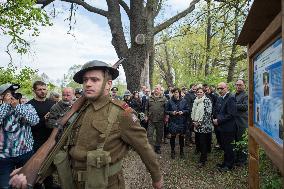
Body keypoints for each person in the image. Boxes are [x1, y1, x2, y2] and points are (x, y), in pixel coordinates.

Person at [9, 60, 163, 189]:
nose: (88, 84)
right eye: (85, 80)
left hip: (105, 184)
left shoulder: (122, 113)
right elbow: (60, 147)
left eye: (94, 80)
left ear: (108, 84)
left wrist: (156, 177)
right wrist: (29, 171)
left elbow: (144, 147)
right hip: (72, 183)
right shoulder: (78, 111)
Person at [0, 83, 39, 189]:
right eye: (7, 94)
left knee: (27, 184)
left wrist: (17, 107)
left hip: (25, 153)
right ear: (1, 96)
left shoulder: (27, 107)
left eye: (13, 94)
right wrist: (5, 106)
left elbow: (35, 121)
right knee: (5, 186)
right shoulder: (1, 108)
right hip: (4, 156)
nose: (11, 96)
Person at [27, 81, 57, 189]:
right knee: (36, 167)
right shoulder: (29, 105)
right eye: (39, 89)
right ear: (34, 90)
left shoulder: (52, 104)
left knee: (49, 166)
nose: (42, 91)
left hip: (50, 139)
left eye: (44, 89)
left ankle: (49, 185)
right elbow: (29, 126)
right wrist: (43, 119)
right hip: (35, 141)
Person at [213, 82, 237, 171]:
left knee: (229, 147)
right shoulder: (220, 98)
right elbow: (216, 110)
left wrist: (218, 120)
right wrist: (214, 118)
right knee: (224, 146)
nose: (220, 90)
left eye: (222, 88)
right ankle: (225, 163)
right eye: (218, 88)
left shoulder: (231, 98)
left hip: (229, 128)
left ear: (226, 88)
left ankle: (229, 165)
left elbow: (231, 114)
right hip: (221, 127)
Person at [191, 86, 213, 167]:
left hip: (204, 125)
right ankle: (204, 156)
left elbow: (208, 113)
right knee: (199, 142)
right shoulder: (196, 100)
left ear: (204, 93)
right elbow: (194, 111)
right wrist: (194, 121)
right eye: (198, 92)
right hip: (196, 124)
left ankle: (202, 160)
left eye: (201, 92)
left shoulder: (206, 100)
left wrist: (199, 122)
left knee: (203, 142)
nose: (199, 93)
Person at [165, 87, 189, 159]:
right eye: (175, 92)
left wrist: (183, 112)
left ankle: (181, 151)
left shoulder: (184, 101)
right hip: (173, 121)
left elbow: (188, 110)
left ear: (179, 93)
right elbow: (166, 111)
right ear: (173, 93)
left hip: (182, 121)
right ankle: (172, 150)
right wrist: (172, 112)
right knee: (173, 137)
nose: (176, 94)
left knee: (181, 137)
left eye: (177, 92)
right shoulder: (169, 101)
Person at [145, 84, 167, 154]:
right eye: (155, 89)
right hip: (151, 119)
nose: (155, 90)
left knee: (159, 134)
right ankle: (149, 147)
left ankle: (157, 147)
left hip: (160, 120)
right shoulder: (149, 98)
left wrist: (166, 117)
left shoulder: (164, 99)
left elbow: (166, 109)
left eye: (157, 89)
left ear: (160, 90)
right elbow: (146, 108)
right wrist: (146, 115)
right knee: (149, 134)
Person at [234, 79, 248, 166]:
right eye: (237, 85)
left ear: (244, 86)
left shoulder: (245, 95)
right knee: (235, 140)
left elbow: (245, 106)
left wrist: (234, 105)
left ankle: (242, 161)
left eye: (240, 85)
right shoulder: (234, 95)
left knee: (242, 142)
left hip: (242, 122)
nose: (238, 86)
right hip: (234, 122)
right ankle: (236, 158)